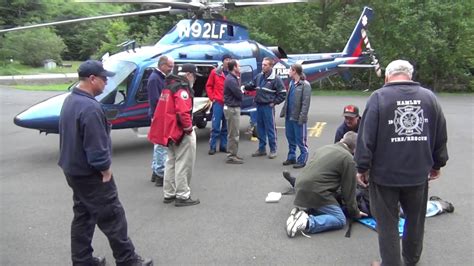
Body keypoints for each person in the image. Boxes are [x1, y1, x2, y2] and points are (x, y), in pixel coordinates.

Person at [354, 59, 448, 266]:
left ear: (387, 76)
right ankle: (411, 259)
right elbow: (440, 134)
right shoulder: (429, 98)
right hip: (417, 175)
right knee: (415, 221)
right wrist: (437, 164)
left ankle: (391, 263)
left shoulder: (378, 97)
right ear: (410, 76)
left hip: (385, 175)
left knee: (387, 224)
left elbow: (365, 137)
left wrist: (361, 166)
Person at [58, 60, 152, 266]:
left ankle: (82, 260)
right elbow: (95, 146)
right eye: (103, 79)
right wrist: (105, 168)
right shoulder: (90, 107)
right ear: (92, 79)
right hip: (90, 173)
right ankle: (127, 260)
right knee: (113, 216)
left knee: (83, 216)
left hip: (73, 169)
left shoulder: (71, 100)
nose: (106, 83)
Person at [285, 132, 366, 238]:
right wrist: (355, 212)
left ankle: (303, 213)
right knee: (340, 219)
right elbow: (348, 193)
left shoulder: (324, 148)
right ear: (355, 149)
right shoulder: (348, 159)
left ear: (342, 140)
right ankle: (307, 222)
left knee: (328, 199)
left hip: (300, 186)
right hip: (315, 190)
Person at [148, 64, 200, 207]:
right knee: (184, 163)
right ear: (189, 75)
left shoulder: (168, 86)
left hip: (168, 131)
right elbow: (183, 112)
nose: (194, 80)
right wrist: (189, 129)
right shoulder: (182, 88)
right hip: (180, 131)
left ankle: (169, 193)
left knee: (170, 162)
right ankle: (182, 195)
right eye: (195, 76)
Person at [246, 57, 286, 159]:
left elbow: (282, 94)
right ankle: (261, 149)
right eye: (262, 64)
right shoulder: (259, 76)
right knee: (260, 128)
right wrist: (245, 86)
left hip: (268, 107)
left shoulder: (276, 79)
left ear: (271, 66)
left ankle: (273, 149)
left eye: (265, 65)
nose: (263, 66)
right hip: (258, 105)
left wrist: (274, 103)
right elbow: (252, 85)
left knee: (270, 129)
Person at [147, 56, 174, 187]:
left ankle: (155, 171)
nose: (171, 69)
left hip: (160, 115)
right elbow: (155, 100)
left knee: (158, 145)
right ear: (162, 65)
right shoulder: (154, 79)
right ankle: (160, 173)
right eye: (170, 66)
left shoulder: (159, 77)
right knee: (161, 145)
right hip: (159, 115)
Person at [280, 63, 311, 169]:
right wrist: (284, 111)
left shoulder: (305, 85)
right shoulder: (292, 83)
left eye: (290, 70)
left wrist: (302, 118)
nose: (289, 72)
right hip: (289, 117)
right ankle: (291, 157)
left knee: (301, 140)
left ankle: (302, 159)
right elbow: (287, 100)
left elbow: (305, 104)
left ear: (294, 71)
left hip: (298, 118)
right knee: (290, 138)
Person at [206, 54, 232, 155]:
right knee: (215, 126)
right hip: (218, 102)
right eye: (226, 59)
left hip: (228, 103)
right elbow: (209, 85)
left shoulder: (232, 72)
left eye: (230, 59)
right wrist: (212, 98)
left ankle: (223, 146)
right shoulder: (215, 72)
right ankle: (212, 146)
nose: (228, 61)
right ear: (223, 61)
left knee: (226, 126)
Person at [223, 59, 244, 164]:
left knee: (234, 132)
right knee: (233, 133)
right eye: (239, 66)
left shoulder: (233, 78)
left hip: (232, 107)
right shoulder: (231, 80)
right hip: (232, 108)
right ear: (234, 67)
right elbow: (238, 94)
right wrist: (242, 91)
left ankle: (233, 154)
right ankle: (231, 156)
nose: (240, 68)